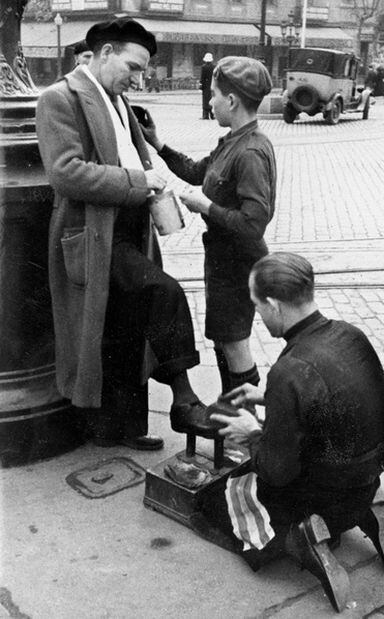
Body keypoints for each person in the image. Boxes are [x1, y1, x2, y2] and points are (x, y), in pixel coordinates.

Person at [36, 17, 215, 452]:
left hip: (130, 229)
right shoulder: (60, 98)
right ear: (105, 52)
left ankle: (120, 428)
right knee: (162, 293)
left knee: (125, 328)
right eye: (133, 67)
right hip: (96, 234)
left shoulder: (118, 99)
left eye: (142, 70)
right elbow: (66, 173)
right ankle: (184, 398)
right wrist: (139, 182)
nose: (138, 77)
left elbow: (133, 154)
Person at [193, 252, 384, 612]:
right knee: (333, 459)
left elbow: (277, 471)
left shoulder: (290, 369)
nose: (258, 315)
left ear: (274, 305)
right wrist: (271, 396)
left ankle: (302, 538)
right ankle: (367, 506)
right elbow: (334, 397)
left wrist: (253, 432)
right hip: (370, 469)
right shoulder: (350, 333)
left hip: (328, 489)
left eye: (258, 306)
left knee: (216, 500)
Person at [141, 56, 276, 395]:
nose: (210, 101)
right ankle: (234, 415)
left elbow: (253, 224)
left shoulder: (250, 152)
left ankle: (245, 433)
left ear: (232, 101)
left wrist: (206, 207)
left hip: (237, 264)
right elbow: (196, 171)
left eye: (213, 94)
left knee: (235, 346)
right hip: (223, 261)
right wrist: (157, 143)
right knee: (224, 343)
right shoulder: (232, 141)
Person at [199, 52, 215, 119]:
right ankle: (212, 114)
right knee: (211, 99)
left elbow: (202, 78)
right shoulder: (214, 67)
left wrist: (201, 86)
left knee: (205, 100)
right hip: (213, 85)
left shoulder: (204, 67)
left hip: (206, 85)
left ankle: (205, 115)